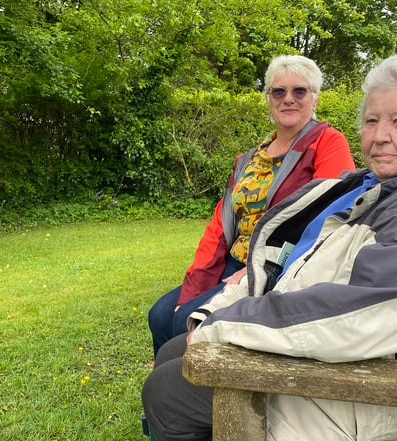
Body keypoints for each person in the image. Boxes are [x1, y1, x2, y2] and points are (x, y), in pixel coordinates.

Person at [141, 54, 397, 441]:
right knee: (174, 346)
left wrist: (228, 323)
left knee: (165, 392)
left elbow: (358, 314)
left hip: (364, 390)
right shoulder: (385, 191)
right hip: (340, 354)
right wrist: (217, 306)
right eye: (372, 120)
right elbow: (301, 258)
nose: (379, 136)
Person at [147, 55, 356, 356]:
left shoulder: (327, 143)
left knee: (185, 322)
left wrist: (257, 269)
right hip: (232, 262)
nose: (289, 99)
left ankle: (194, 398)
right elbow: (221, 224)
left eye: (300, 91)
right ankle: (168, 393)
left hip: (275, 267)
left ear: (315, 98)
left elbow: (326, 218)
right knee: (160, 314)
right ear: (268, 99)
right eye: (278, 91)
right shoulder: (250, 159)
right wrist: (198, 278)